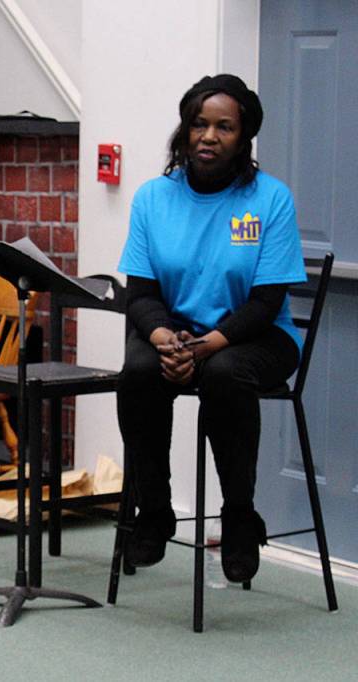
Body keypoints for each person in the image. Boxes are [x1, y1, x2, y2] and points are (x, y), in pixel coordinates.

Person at [116, 74, 306, 583]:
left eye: (224, 127)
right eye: (199, 123)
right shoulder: (153, 198)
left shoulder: (271, 199)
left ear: (243, 138)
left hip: (258, 337)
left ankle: (240, 516)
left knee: (223, 373)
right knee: (137, 369)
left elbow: (267, 303)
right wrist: (163, 340)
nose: (208, 136)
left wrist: (199, 350)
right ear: (185, 129)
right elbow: (141, 294)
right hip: (176, 332)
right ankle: (153, 510)